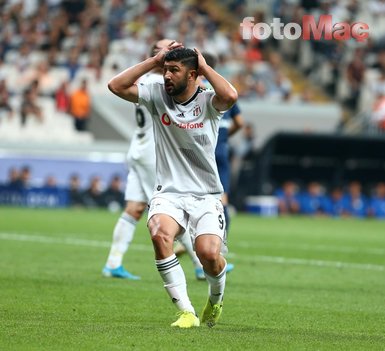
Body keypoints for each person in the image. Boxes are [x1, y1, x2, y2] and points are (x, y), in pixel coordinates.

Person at [108, 42, 238, 328]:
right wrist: (153, 61)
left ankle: (215, 299)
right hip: (168, 192)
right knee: (158, 233)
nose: (167, 76)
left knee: (209, 256)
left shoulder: (207, 102)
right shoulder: (156, 95)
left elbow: (230, 95)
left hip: (205, 195)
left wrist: (205, 66)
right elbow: (116, 85)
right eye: (166, 70)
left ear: (192, 75)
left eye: (175, 70)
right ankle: (186, 311)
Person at [102, 39, 174, 281]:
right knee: (172, 205)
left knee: (134, 209)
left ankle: (113, 263)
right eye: (172, 47)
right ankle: (199, 264)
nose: (177, 49)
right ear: (159, 55)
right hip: (151, 153)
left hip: (138, 148)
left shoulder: (144, 80)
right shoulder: (161, 83)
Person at [175, 52, 242, 279]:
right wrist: (222, 137)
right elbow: (239, 121)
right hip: (217, 153)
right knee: (218, 202)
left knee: (197, 201)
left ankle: (200, 248)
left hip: (198, 152)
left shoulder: (188, 90)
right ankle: (211, 250)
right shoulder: (217, 90)